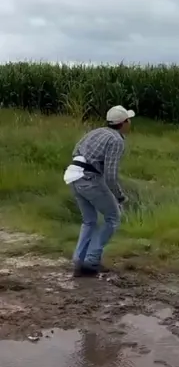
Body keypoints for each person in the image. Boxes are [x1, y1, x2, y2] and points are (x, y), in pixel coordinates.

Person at [64, 105, 135, 277]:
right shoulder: (117, 140)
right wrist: (120, 197)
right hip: (89, 179)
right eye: (129, 119)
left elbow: (76, 151)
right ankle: (91, 261)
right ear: (123, 122)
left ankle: (79, 260)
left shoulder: (96, 132)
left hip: (73, 176)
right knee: (113, 218)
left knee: (90, 220)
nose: (130, 122)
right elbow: (111, 176)